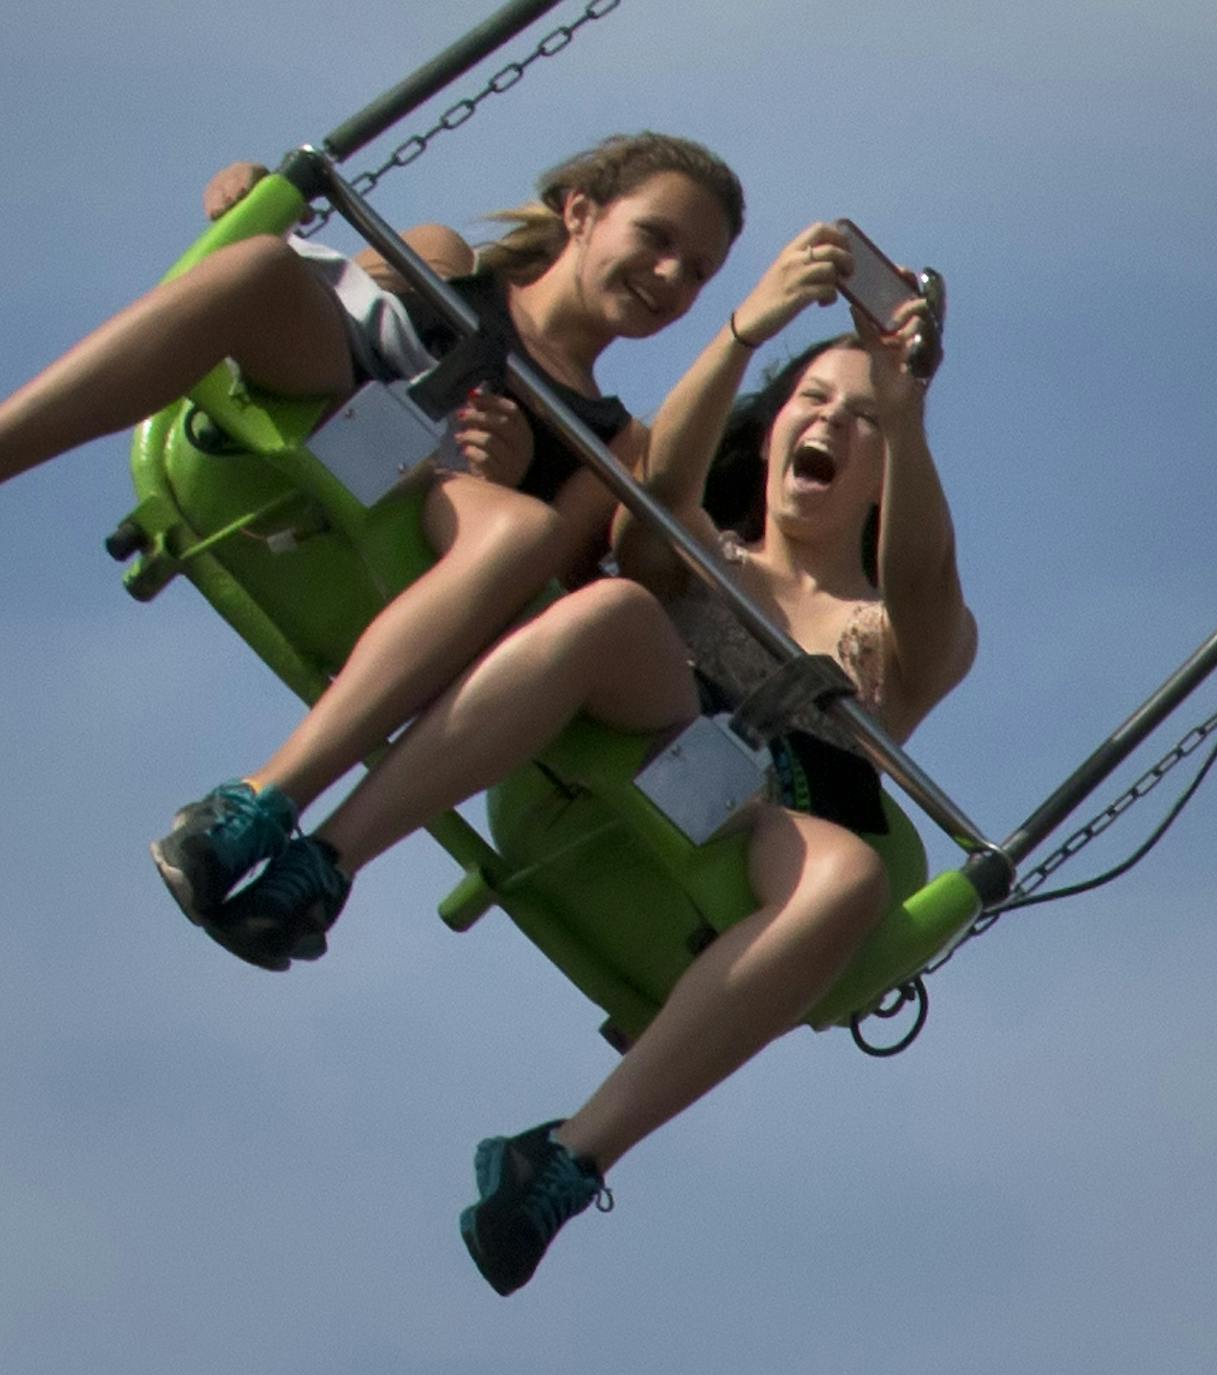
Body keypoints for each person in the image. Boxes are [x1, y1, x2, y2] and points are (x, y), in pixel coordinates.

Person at [197, 227, 976, 1294]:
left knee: (852, 875)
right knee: (615, 602)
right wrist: (747, 330)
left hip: (751, 825)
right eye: (815, 401)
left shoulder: (891, 635)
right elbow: (652, 509)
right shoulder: (709, 546)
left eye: (864, 421)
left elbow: (926, 580)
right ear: (777, 423)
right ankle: (319, 863)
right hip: (627, 739)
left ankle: (565, 1160)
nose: (833, 423)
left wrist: (908, 403)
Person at [0, 132, 748, 937]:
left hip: (441, 514)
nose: (670, 275)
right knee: (262, 269)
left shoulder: (616, 440)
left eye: (697, 270)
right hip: (340, 409)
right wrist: (255, 205)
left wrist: (494, 474)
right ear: (582, 212)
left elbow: (552, 577)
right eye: (656, 238)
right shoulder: (437, 258)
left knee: (520, 532)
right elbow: (328, 294)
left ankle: (268, 801)